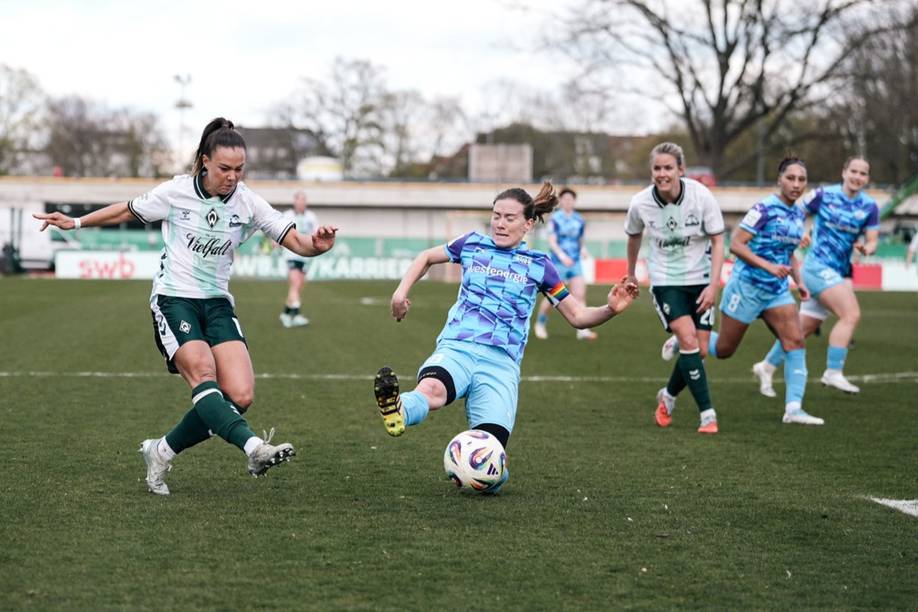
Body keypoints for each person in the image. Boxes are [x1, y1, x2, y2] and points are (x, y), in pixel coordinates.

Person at [34, 118, 338, 495]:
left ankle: (161, 451)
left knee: (240, 396)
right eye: (224, 168)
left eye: (240, 169)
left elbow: (296, 240)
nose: (232, 177)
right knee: (203, 372)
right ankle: (254, 448)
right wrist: (76, 221)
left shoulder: (247, 202)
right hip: (174, 298)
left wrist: (317, 246)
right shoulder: (177, 191)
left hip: (217, 303)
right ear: (205, 161)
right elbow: (127, 209)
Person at [372, 182, 639, 491]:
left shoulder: (540, 267)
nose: (499, 223)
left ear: (528, 224)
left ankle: (487, 474)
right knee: (432, 389)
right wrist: (399, 293)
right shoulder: (471, 244)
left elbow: (578, 317)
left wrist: (611, 308)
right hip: (459, 346)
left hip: (501, 364)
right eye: (496, 215)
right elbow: (426, 258)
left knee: (492, 466)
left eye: (509, 217)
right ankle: (399, 410)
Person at [677, 156, 823, 425]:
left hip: (777, 291)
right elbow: (737, 244)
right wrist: (768, 266)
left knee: (796, 341)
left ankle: (793, 409)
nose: (796, 184)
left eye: (801, 179)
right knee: (723, 349)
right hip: (746, 287)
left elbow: (788, 252)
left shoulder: (799, 214)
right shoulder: (764, 208)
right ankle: (684, 338)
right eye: (791, 178)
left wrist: (799, 282)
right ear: (779, 180)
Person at [752, 157, 879, 396]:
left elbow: (873, 240)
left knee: (799, 331)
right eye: (853, 171)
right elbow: (795, 211)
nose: (857, 177)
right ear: (844, 172)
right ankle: (833, 372)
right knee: (850, 314)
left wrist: (867, 248)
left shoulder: (870, 207)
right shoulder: (823, 195)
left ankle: (766, 366)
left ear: (867, 178)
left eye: (863, 173)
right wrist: (800, 232)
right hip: (816, 267)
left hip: (836, 270)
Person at [626, 142, 724, 434]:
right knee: (690, 340)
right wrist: (631, 274)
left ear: (681, 170)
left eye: (668, 167)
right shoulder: (640, 203)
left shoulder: (701, 196)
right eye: (657, 168)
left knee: (701, 350)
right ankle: (708, 415)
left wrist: (713, 286)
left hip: (701, 279)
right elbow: (633, 237)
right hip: (666, 281)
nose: (662, 173)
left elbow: (719, 241)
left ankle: (667, 396)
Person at [532, 187, 597, 340]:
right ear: (560, 201)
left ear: (574, 201)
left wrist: (583, 249)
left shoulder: (579, 220)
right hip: (557, 263)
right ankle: (540, 324)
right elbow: (552, 241)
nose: (568, 202)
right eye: (565, 199)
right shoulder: (555, 219)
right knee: (553, 297)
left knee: (580, 294)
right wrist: (561, 255)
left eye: (571, 199)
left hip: (575, 262)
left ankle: (583, 329)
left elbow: (580, 239)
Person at [279, 190, 319, 328]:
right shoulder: (287, 215)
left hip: (306, 256)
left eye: (303, 200)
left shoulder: (311, 217)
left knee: (298, 286)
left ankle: (285, 313)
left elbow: (316, 234)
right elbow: (278, 231)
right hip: (291, 254)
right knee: (295, 283)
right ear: (294, 202)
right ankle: (295, 314)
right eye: (299, 199)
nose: (301, 202)